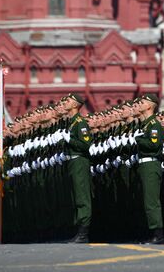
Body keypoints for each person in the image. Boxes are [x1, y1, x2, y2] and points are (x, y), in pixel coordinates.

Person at [135, 94, 164, 244]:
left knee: (152, 201)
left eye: (142, 102)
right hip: (144, 164)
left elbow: (154, 145)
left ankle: (158, 235)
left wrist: (138, 139)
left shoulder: (154, 125)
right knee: (147, 201)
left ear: (149, 106)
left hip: (151, 164)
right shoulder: (146, 125)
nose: (139, 104)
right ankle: (151, 232)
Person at [66, 93, 93, 243]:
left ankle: (83, 233)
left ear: (76, 105)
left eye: (69, 101)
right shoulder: (71, 123)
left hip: (79, 161)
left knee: (82, 196)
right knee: (76, 196)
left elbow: (85, 145)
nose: (65, 103)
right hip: (72, 162)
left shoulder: (80, 123)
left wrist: (70, 140)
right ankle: (78, 231)